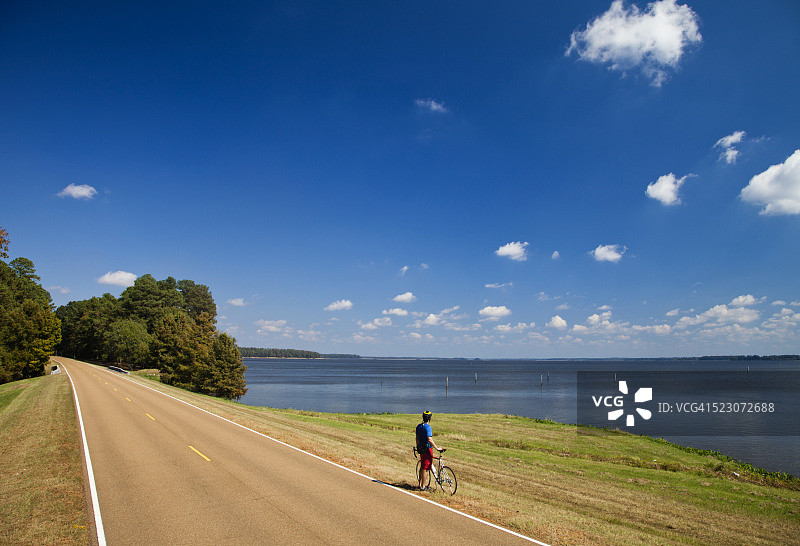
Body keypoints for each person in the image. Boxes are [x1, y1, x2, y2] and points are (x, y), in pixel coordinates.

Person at [415, 411, 443, 491]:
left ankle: (420, 484)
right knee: (426, 468)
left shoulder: (419, 426)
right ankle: (423, 487)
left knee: (422, 465)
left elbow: (416, 438)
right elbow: (429, 439)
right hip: (427, 449)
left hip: (421, 448)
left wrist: (418, 446)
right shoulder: (428, 427)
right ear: (430, 418)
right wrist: (437, 448)